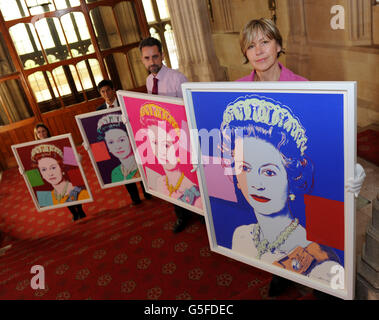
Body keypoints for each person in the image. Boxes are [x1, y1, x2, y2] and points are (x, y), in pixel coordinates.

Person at [236, 17, 366, 298]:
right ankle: (280, 272)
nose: (258, 51)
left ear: (279, 45)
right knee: (266, 225)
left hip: (296, 183)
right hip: (260, 179)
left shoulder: (304, 86)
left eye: (265, 42)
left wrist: (349, 165)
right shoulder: (236, 90)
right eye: (250, 46)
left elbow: (323, 137)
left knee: (317, 241)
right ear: (245, 54)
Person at [139, 36, 195, 233]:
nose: (151, 62)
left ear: (162, 55)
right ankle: (181, 215)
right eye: (147, 58)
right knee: (169, 178)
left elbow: (189, 110)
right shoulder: (148, 81)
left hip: (181, 141)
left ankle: (200, 213)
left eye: (155, 57)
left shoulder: (177, 78)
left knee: (189, 177)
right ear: (142, 59)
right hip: (161, 143)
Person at [96, 79, 151, 205]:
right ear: (100, 94)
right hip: (117, 145)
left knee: (139, 167)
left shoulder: (124, 103)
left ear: (113, 90)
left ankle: (148, 193)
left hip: (132, 141)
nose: (106, 94)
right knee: (124, 169)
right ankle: (135, 198)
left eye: (108, 90)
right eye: (103, 92)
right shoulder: (99, 110)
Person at [140, 103, 202, 208]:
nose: (161, 152)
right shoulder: (160, 182)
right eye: (155, 143)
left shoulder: (194, 191)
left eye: (166, 145)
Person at [33, 123, 87, 221]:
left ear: (47, 131)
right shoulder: (33, 148)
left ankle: (80, 210)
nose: (41, 134)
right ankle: (74, 213)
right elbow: (32, 166)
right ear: (36, 135)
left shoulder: (57, 141)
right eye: (39, 132)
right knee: (60, 194)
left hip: (64, 170)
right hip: (50, 176)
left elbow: (67, 151)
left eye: (43, 131)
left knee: (73, 189)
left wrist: (75, 158)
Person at [97, 113, 140, 182]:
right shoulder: (115, 173)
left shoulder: (142, 167)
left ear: (130, 139)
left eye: (122, 140)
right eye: (111, 142)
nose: (117, 147)